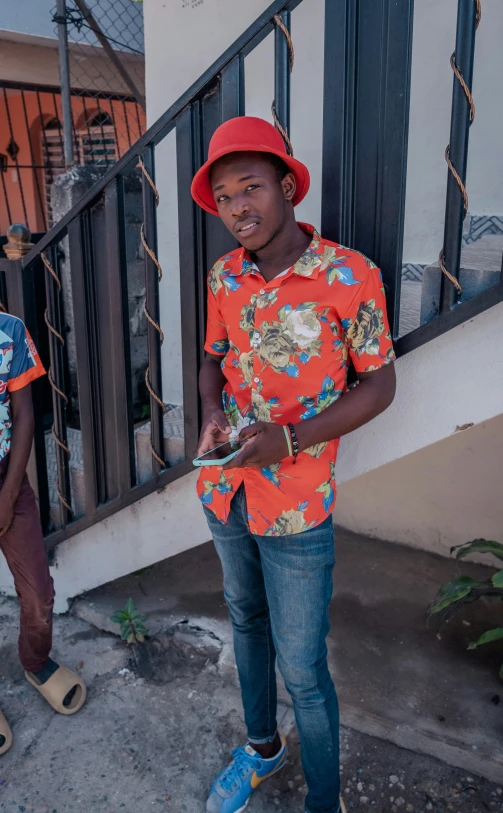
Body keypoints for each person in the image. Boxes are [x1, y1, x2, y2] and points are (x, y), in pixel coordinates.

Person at [191, 116, 396, 813]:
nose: (237, 206)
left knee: (305, 669)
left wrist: (293, 439)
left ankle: (323, 799)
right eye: (224, 196)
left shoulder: (348, 274)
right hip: (226, 490)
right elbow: (211, 362)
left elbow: (379, 384)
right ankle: (260, 747)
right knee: (244, 622)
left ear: (286, 186)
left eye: (250, 187)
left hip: (299, 503)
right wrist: (210, 412)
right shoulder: (224, 276)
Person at [0, 312, 86, 757]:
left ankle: (35, 662)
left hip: (8, 483)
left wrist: (9, 493)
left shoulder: (9, 330)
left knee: (39, 596)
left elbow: (24, 414)